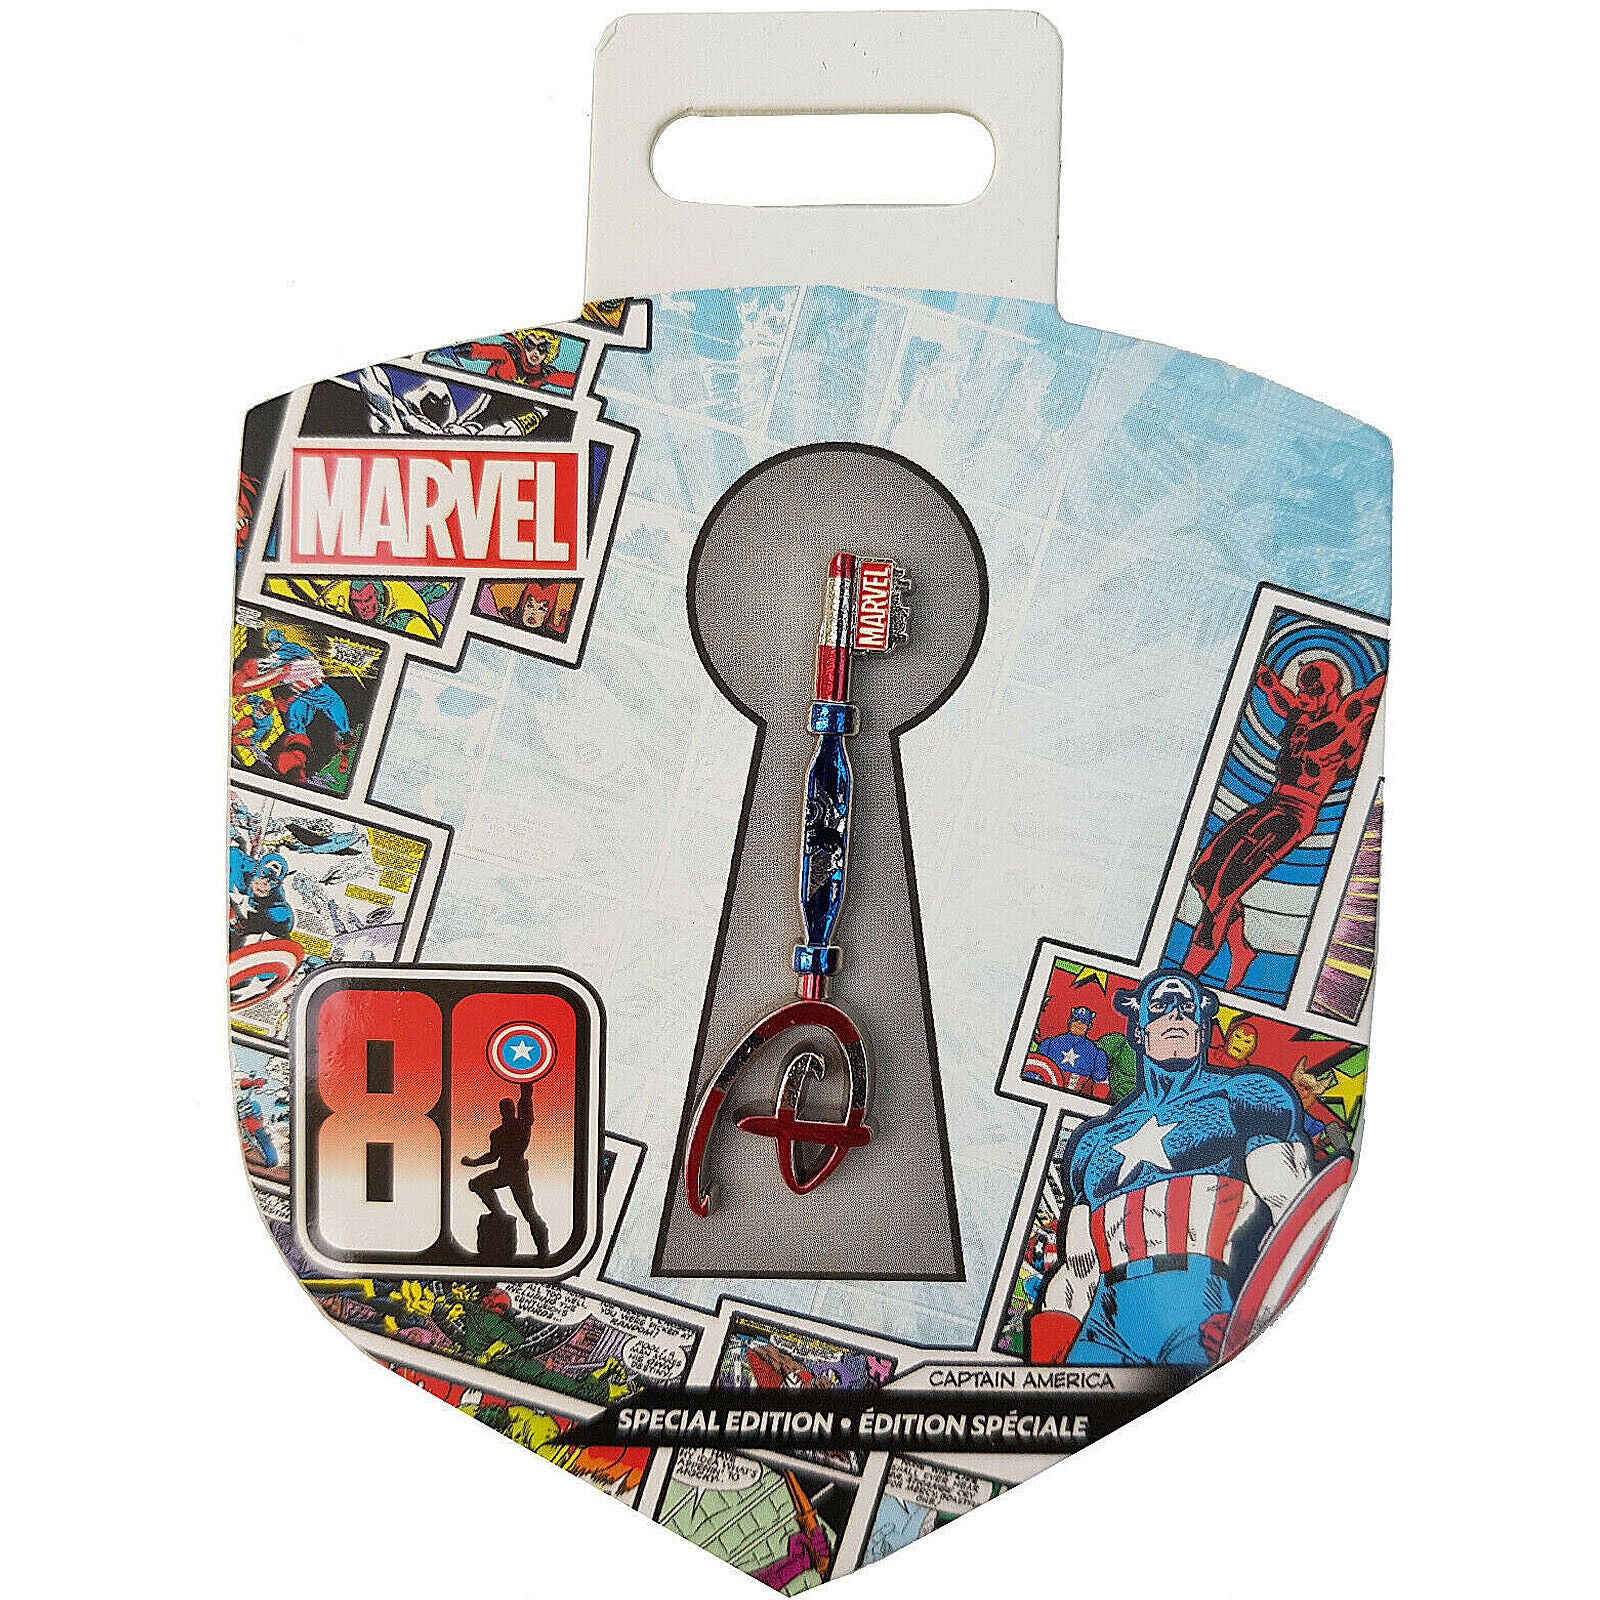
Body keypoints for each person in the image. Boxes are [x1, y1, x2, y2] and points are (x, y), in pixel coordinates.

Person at [1025, 970, 1310, 1367]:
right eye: (1161, 1006)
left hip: (1199, 1302)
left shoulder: (1242, 1097)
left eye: (1187, 1008)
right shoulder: (1093, 1143)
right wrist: (1048, 1362)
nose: (1176, 1015)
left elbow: (1293, 1214)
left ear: (1202, 1031)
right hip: (1104, 1321)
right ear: (1138, 1031)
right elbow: (1077, 1270)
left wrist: (1258, 1316)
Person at [1183, 657, 1384, 988]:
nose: (1303, 698)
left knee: (1224, 890)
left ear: (1333, 690)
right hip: (1272, 803)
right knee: (1204, 874)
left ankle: (1184, 980)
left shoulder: (1348, 717)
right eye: (1302, 689)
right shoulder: (1299, 714)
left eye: (1313, 692)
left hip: (1296, 814)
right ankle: (1241, 950)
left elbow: (1376, 692)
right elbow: (1270, 685)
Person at [460, 1081, 549, 1257]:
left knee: (529, 1213)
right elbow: (493, 1156)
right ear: (501, 1111)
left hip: (517, 1173)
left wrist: (526, 1082)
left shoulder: (522, 1126)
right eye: (504, 1109)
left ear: (513, 1110)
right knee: (477, 1183)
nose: (506, 1111)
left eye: (509, 1108)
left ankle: (543, 1250)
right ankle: (499, 1213)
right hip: (503, 1171)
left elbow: (526, 1101)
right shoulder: (497, 1133)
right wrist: (473, 1162)